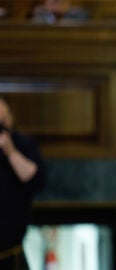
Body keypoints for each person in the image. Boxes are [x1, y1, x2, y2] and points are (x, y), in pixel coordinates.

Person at [0, 97, 46, 270]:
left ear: (10, 119)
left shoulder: (23, 144)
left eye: (3, 121)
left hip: (11, 253)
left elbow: (37, 180)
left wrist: (10, 151)